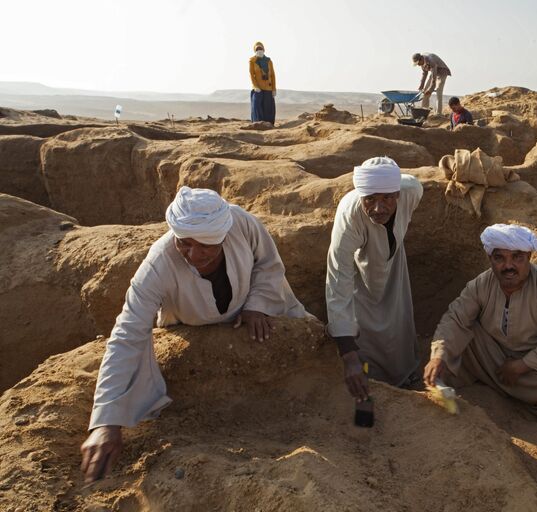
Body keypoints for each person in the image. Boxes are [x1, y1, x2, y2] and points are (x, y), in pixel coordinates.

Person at [80, 187, 308, 483]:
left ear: (223, 236)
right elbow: (128, 331)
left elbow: (267, 264)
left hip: (247, 307)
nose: (193, 254)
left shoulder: (241, 223)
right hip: (191, 323)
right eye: (184, 243)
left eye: (205, 246)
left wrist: (257, 305)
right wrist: (106, 421)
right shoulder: (157, 265)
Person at [423, 224, 537, 430]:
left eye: (517, 257)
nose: (508, 266)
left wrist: (522, 365)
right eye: (499, 258)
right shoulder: (481, 284)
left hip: (536, 370)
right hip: (494, 361)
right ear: (490, 259)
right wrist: (439, 355)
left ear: (529, 257)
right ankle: (442, 387)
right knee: (456, 342)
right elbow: (456, 319)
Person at [326, 157, 423, 401]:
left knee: (399, 322)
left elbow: (410, 181)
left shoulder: (411, 191)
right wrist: (348, 355)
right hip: (362, 275)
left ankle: (406, 377)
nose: (379, 208)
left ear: (397, 194)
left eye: (387, 198)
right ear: (361, 196)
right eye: (370, 199)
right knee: (365, 335)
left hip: (394, 266)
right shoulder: (349, 217)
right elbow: (338, 280)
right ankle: (370, 384)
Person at [249, 41, 277, 124]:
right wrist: (255, 86)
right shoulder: (252, 61)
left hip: (268, 88)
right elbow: (251, 75)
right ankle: (257, 123)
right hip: (258, 88)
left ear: (264, 50)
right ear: (255, 50)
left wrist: (274, 89)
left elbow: (272, 75)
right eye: (257, 49)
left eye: (260, 49)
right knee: (256, 105)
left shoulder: (269, 61)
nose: (259, 50)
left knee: (268, 107)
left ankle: (269, 125)